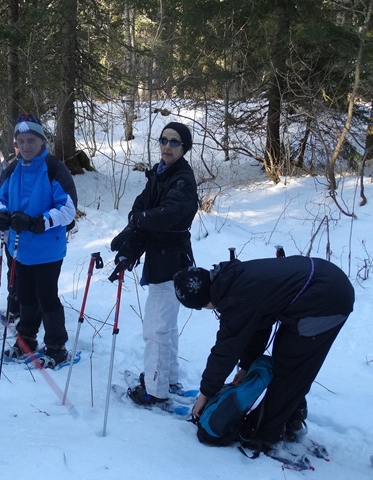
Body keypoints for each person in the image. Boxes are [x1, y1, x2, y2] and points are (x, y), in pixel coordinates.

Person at [173, 256, 354, 453]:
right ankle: (292, 418)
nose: (206, 309)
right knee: (286, 361)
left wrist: (205, 394)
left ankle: (267, 437)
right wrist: (246, 366)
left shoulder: (235, 297)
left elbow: (225, 350)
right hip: (319, 285)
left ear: (203, 299)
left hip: (326, 299)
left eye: (201, 306)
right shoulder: (230, 279)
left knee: (289, 369)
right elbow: (259, 325)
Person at [110, 122, 198, 411]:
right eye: (164, 140)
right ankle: (167, 379)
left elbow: (168, 214)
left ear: (184, 148)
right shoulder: (159, 174)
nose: (167, 146)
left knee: (156, 330)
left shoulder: (182, 179)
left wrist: (139, 220)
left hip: (171, 262)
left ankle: (155, 390)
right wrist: (129, 249)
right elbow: (141, 210)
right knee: (166, 327)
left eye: (174, 142)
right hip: (163, 259)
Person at [0, 114, 77, 368]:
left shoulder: (53, 168)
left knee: (47, 297)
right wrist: (1, 214)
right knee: (25, 296)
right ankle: (26, 340)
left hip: (48, 249)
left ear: (41, 141)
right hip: (21, 248)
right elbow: (2, 197)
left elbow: (68, 209)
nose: (26, 146)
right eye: (21, 141)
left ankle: (56, 346)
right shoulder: (14, 168)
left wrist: (37, 222)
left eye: (31, 140)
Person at [0, 142, 21, 320]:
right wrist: (3, 198)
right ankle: (14, 308)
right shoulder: (7, 164)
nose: (20, 147)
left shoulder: (44, 164)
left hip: (32, 229)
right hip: (9, 228)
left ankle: (32, 309)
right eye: (17, 143)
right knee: (13, 268)